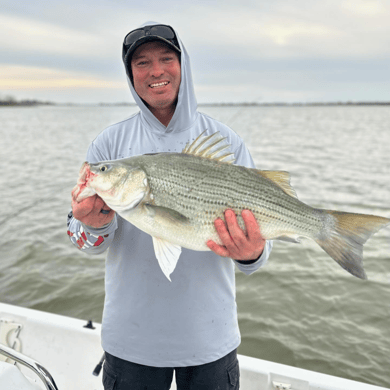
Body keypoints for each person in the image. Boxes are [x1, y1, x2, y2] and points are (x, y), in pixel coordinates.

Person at [67, 22, 273, 390]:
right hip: (130, 344)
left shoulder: (226, 141)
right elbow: (83, 242)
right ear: (130, 75)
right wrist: (93, 226)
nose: (156, 71)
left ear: (184, 65)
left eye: (166, 58)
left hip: (211, 343)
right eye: (142, 63)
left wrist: (251, 252)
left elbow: (260, 254)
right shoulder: (108, 146)